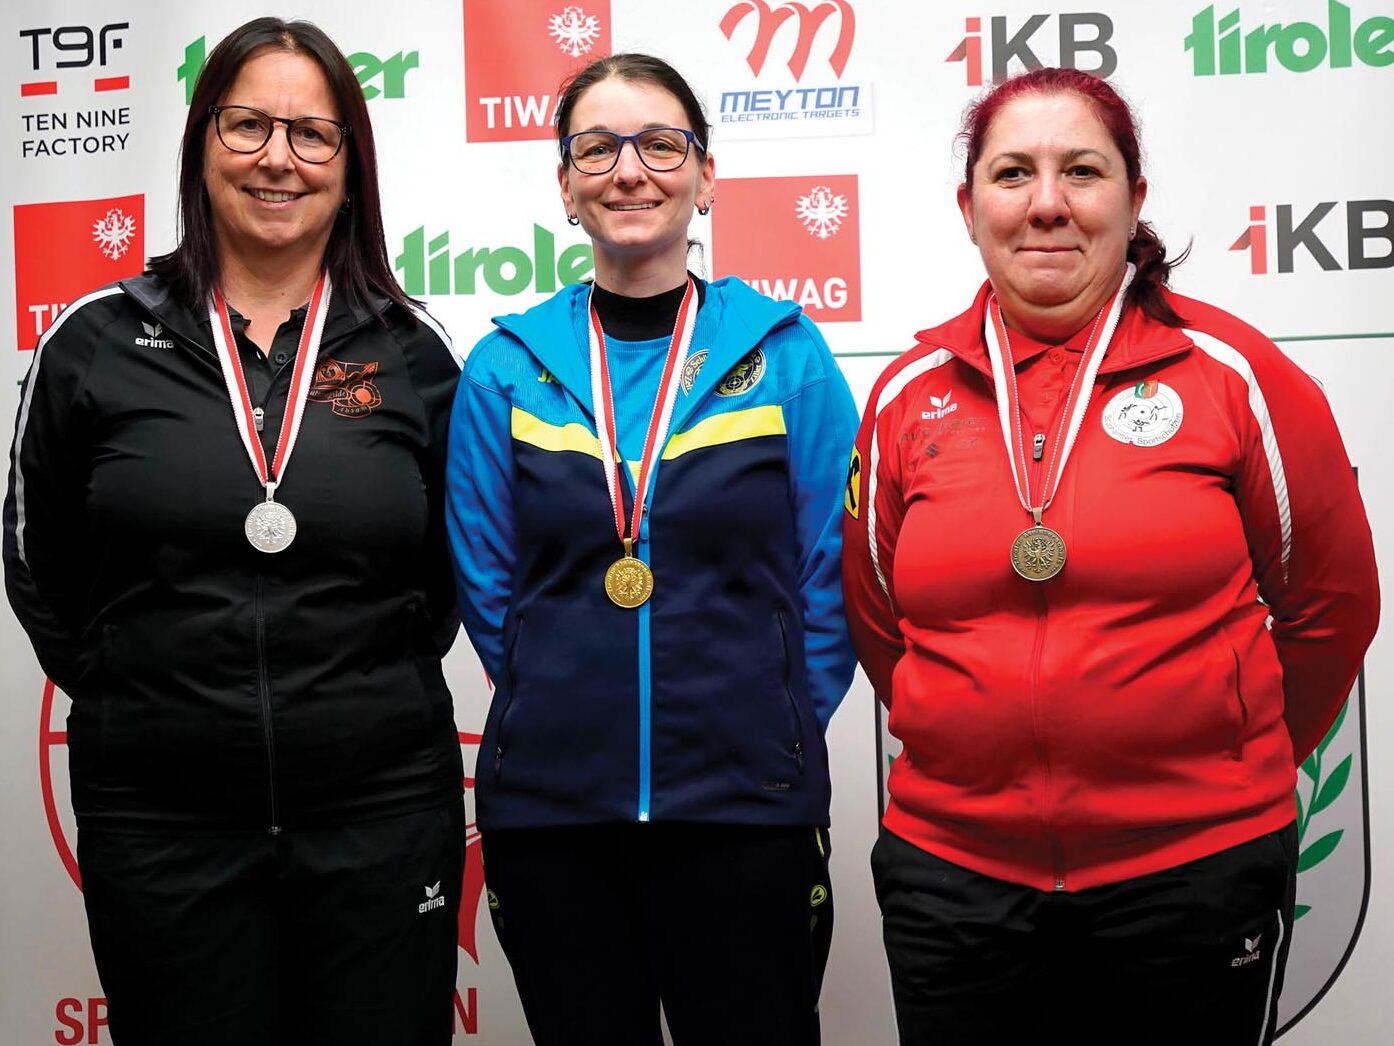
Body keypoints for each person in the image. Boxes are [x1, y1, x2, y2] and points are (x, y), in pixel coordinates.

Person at [843, 67, 1379, 1046]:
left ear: (1134, 200)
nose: (1046, 202)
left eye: (1081, 171)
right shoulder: (904, 400)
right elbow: (880, 621)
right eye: (1012, 172)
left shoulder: (1236, 374)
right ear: (968, 208)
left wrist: (1224, 758)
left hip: (1193, 871)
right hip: (955, 877)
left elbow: (1331, 605)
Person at [4, 18, 464, 1046]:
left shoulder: (416, 352)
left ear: (351, 163)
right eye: (247, 124)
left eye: (312, 133)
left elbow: (447, 579)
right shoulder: (93, 339)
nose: (276, 158)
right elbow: (39, 563)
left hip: (382, 813)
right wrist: (140, 692)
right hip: (160, 822)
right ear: (201, 140)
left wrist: (355, 695)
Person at [446, 52, 858, 1046]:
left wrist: (764, 717)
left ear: (705, 176)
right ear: (566, 187)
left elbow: (832, 572)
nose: (629, 170)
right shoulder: (505, 366)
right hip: (554, 818)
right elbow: (490, 588)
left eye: (661, 145)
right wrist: (564, 700)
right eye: (597, 148)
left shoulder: (784, 354)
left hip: (745, 809)